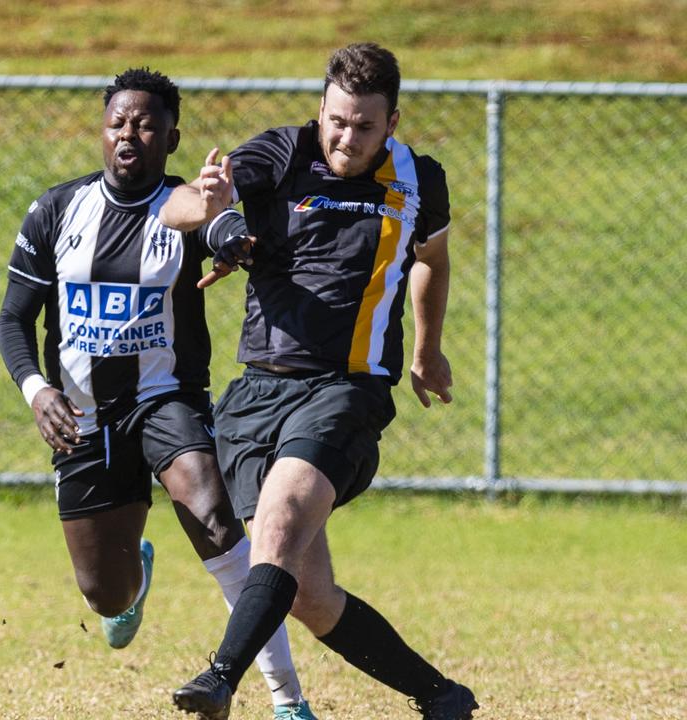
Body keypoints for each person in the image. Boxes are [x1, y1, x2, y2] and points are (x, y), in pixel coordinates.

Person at [158, 44, 479, 720]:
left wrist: (427, 349)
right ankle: (440, 697)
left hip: (347, 392)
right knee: (308, 592)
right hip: (257, 393)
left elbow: (432, 259)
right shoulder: (283, 153)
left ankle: (220, 680)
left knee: (274, 531)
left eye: (364, 126)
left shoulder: (418, 179)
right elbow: (177, 208)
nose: (345, 138)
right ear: (321, 109)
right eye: (336, 120)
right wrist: (214, 214)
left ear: (392, 121)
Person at [0, 68, 318, 719]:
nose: (129, 134)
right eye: (118, 121)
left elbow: (220, 227)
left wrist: (236, 239)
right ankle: (132, 580)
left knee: (214, 520)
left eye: (145, 124)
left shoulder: (182, 205)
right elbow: (13, 319)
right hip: (82, 416)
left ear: (171, 137)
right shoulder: (57, 210)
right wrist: (37, 391)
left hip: (165, 400)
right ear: (102, 129)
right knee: (103, 597)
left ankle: (288, 702)